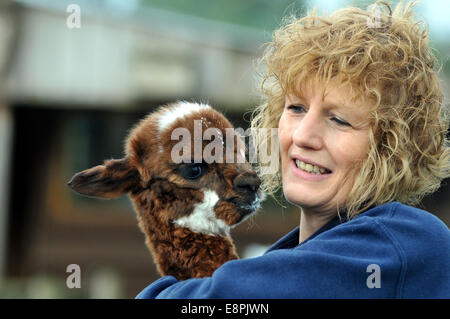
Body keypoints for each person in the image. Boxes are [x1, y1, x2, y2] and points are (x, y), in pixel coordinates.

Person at [136, 1, 450, 298]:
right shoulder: (296, 260)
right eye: (296, 108)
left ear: (392, 147)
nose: (303, 135)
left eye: (339, 120)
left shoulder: (404, 243)